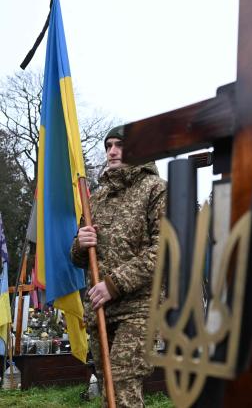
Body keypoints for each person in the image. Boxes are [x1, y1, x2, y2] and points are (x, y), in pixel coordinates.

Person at [71, 125, 166, 407]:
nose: (112, 151)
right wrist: (79, 243)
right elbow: (78, 258)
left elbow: (165, 249)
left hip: (139, 307)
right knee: (107, 389)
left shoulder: (155, 189)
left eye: (120, 145)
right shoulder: (97, 198)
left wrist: (114, 284)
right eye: (108, 145)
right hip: (101, 308)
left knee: (123, 384)